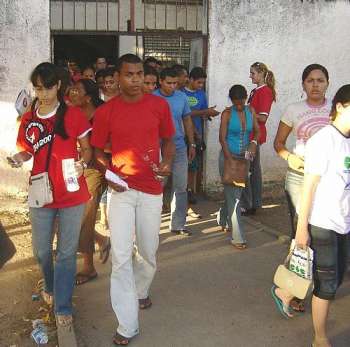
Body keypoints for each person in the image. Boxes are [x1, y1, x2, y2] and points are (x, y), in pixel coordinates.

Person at [91, 54, 175, 345]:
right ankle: (127, 323)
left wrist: (167, 163)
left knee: (149, 252)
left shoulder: (159, 106)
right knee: (121, 258)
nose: (136, 79)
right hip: (122, 192)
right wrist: (109, 173)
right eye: (129, 74)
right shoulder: (106, 112)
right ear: (117, 78)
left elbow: (168, 140)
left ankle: (141, 290)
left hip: (151, 189)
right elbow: (98, 151)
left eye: (140, 74)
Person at [8, 62, 92, 328]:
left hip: (71, 192)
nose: (42, 93)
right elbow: (27, 149)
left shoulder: (73, 115)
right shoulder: (29, 118)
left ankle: (63, 303)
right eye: (37, 88)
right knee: (42, 250)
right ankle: (51, 282)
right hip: (41, 192)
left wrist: (83, 164)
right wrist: (18, 158)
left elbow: (87, 149)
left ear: (58, 86)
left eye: (47, 88)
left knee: (66, 253)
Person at [276, 85, 350, 347]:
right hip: (323, 222)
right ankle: (320, 338)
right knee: (327, 284)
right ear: (340, 107)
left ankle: (286, 290)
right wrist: (301, 228)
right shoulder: (323, 140)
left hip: (343, 221)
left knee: (337, 275)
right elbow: (308, 187)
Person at [273, 64, 331, 314]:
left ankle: (321, 288)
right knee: (302, 237)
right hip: (299, 178)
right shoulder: (293, 110)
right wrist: (289, 157)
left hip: (329, 181)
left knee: (326, 236)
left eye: (320, 80)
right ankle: (293, 291)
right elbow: (278, 143)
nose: (315, 85)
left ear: (327, 83)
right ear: (303, 85)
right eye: (310, 80)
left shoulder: (336, 109)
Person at [69, 79, 111, 285]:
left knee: (85, 214)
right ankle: (102, 240)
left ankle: (88, 267)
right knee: (72, 215)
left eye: (77, 91)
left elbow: (111, 142)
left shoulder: (102, 113)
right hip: (73, 168)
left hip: (96, 168)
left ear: (88, 97)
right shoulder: (71, 112)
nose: (72, 93)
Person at [154, 67, 196, 236]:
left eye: (175, 83)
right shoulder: (152, 98)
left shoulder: (182, 97)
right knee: (157, 187)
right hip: (157, 148)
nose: (172, 86)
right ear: (161, 82)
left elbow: (187, 120)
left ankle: (178, 225)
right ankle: (152, 226)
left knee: (180, 186)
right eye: (168, 83)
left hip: (179, 146)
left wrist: (191, 144)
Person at [218, 85, 259, 249]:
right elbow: (222, 139)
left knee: (235, 193)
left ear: (245, 98)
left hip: (245, 157)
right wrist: (230, 160)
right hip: (229, 158)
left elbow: (257, 131)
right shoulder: (227, 113)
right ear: (232, 101)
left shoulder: (251, 111)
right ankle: (238, 237)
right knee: (235, 198)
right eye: (236, 103)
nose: (239, 106)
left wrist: (254, 143)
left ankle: (222, 218)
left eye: (241, 102)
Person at [241, 62, 276, 216]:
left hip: (254, 138)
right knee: (252, 170)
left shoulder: (265, 92)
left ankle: (249, 204)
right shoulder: (255, 91)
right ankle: (253, 203)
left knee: (248, 171)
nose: (250, 76)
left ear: (261, 73)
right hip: (250, 135)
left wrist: (246, 112)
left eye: (253, 73)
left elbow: (262, 117)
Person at [183, 66, 220, 204]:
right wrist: (205, 112)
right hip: (183, 134)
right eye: (198, 82)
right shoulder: (181, 94)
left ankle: (190, 190)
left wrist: (208, 115)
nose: (201, 85)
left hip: (197, 135)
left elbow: (202, 112)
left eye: (202, 83)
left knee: (193, 165)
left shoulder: (201, 94)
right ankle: (182, 190)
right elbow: (185, 114)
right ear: (190, 79)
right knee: (183, 165)